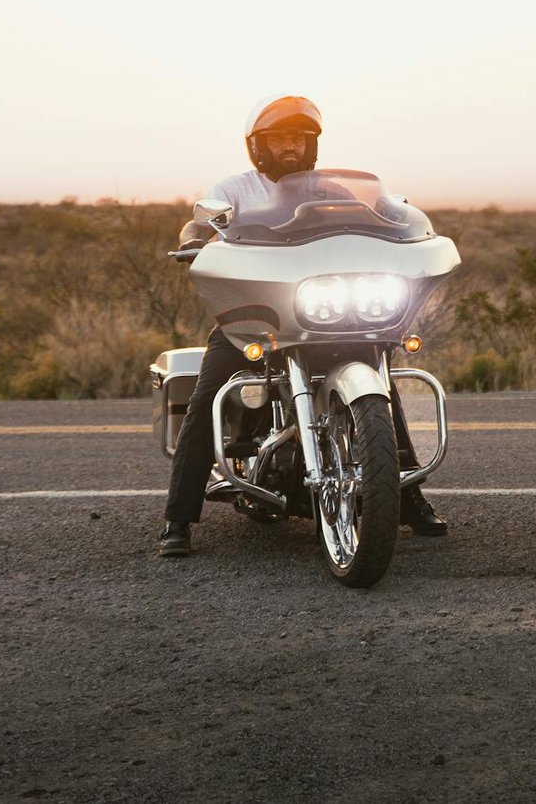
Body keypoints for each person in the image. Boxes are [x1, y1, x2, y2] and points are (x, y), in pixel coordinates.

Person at [157, 96, 447, 556]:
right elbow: (200, 227)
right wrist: (194, 239)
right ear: (258, 146)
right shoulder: (235, 189)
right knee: (207, 396)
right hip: (258, 320)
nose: (289, 147)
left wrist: (406, 230)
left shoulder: (330, 189)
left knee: (384, 396)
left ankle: (409, 499)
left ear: (311, 144)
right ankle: (178, 518)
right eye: (278, 139)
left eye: (298, 138)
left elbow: (383, 219)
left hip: (330, 313)